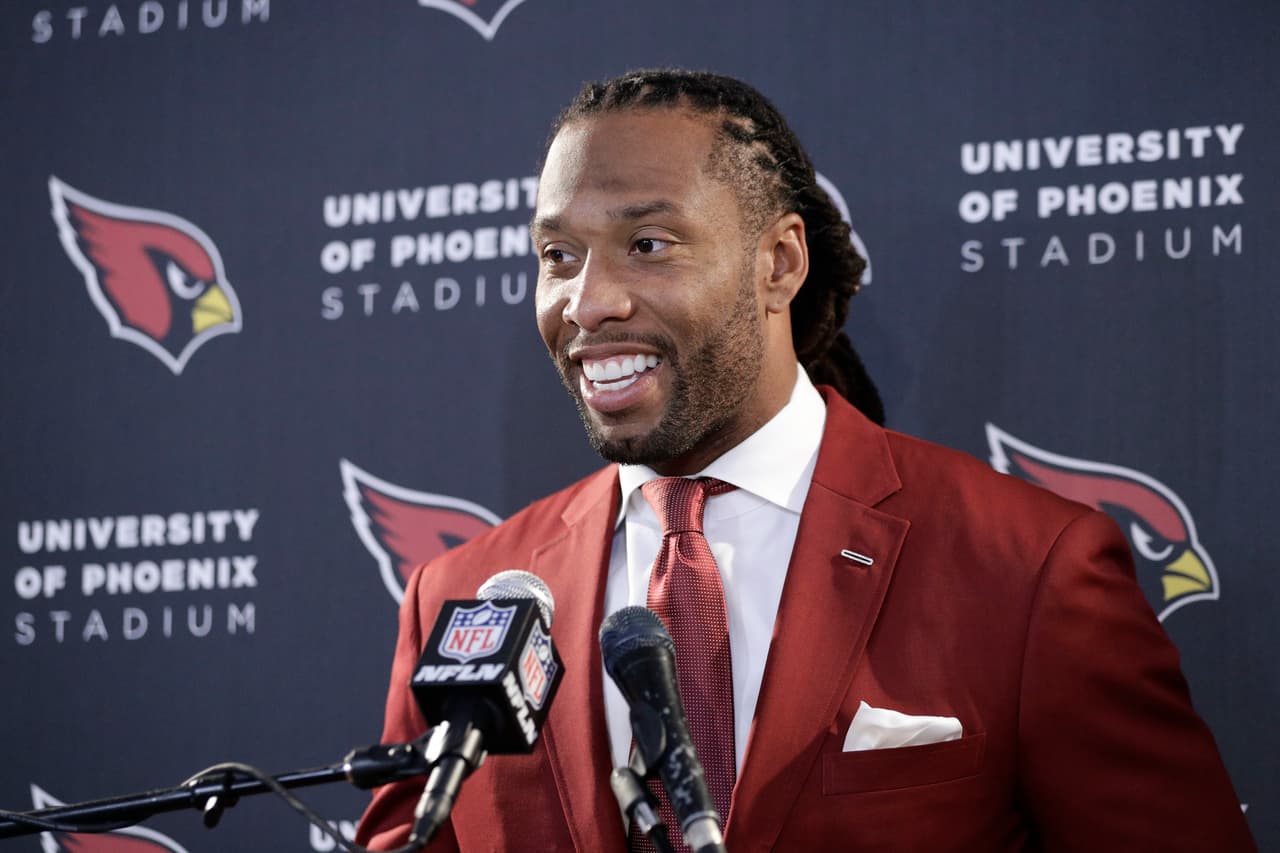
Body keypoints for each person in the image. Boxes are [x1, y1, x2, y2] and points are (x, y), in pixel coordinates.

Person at [356, 69, 1254, 851]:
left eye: (647, 244)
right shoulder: (462, 595)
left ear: (779, 261)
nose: (587, 302)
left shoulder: (1030, 569)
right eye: (558, 255)